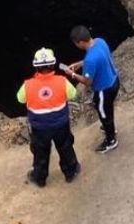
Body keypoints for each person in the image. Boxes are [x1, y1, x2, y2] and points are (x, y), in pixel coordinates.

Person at [17, 48, 81, 187]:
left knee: (40, 152)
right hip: (61, 125)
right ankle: (71, 171)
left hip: (39, 128)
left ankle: (40, 178)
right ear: (53, 65)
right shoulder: (62, 81)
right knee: (65, 148)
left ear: (36, 67)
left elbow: (20, 99)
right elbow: (73, 94)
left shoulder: (27, 85)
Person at [64, 25, 121, 153]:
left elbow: (87, 81)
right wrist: (80, 63)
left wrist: (72, 74)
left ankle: (111, 139)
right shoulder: (100, 41)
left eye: (75, 43)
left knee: (103, 113)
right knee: (108, 108)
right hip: (114, 80)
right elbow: (98, 58)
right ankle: (110, 128)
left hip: (104, 90)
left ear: (80, 42)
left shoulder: (90, 59)